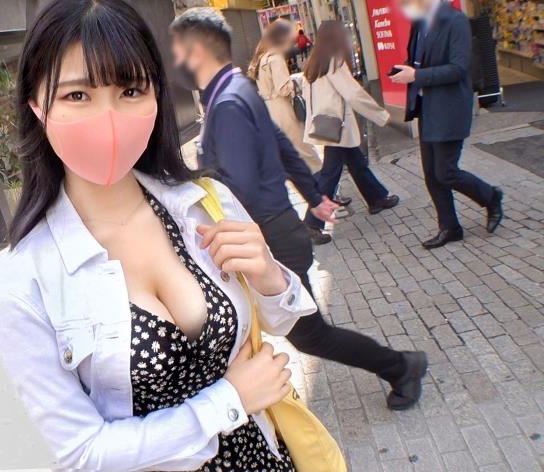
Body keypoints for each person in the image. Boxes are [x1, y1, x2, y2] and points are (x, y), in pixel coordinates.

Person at [0, 1, 322, 470]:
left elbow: (283, 322)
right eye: (77, 95)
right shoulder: (22, 279)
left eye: (130, 90)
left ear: (156, 96)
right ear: (37, 107)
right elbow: (83, 453)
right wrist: (228, 402)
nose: (108, 117)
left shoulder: (202, 203)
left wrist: (268, 275)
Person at [171, 7, 426, 411]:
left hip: (272, 240)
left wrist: (189, 191)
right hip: (281, 231)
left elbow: (238, 188)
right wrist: (315, 196)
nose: (177, 63)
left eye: (179, 52)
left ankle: (401, 366)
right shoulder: (237, 89)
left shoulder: (229, 102)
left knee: (310, 336)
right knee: (292, 332)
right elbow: (282, 147)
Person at [391, 0, 503, 249]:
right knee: (431, 174)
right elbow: (419, 60)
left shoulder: (456, 21)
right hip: (426, 108)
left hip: (449, 108)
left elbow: (458, 68)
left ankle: (491, 196)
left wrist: (417, 75)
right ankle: (450, 227)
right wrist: (406, 69)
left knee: (446, 172)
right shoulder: (419, 23)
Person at [301, 20, 401, 241]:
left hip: (327, 125)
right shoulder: (334, 61)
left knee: (356, 162)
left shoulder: (315, 62)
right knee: (330, 175)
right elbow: (354, 94)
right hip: (339, 126)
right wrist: (381, 115)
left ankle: (376, 198)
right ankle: (311, 223)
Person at [249, 19, 322, 173]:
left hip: (269, 111)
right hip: (283, 110)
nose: (292, 42)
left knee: (289, 154)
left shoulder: (262, 57)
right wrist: (297, 80)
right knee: (306, 151)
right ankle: (324, 184)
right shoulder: (275, 58)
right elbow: (283, 89)